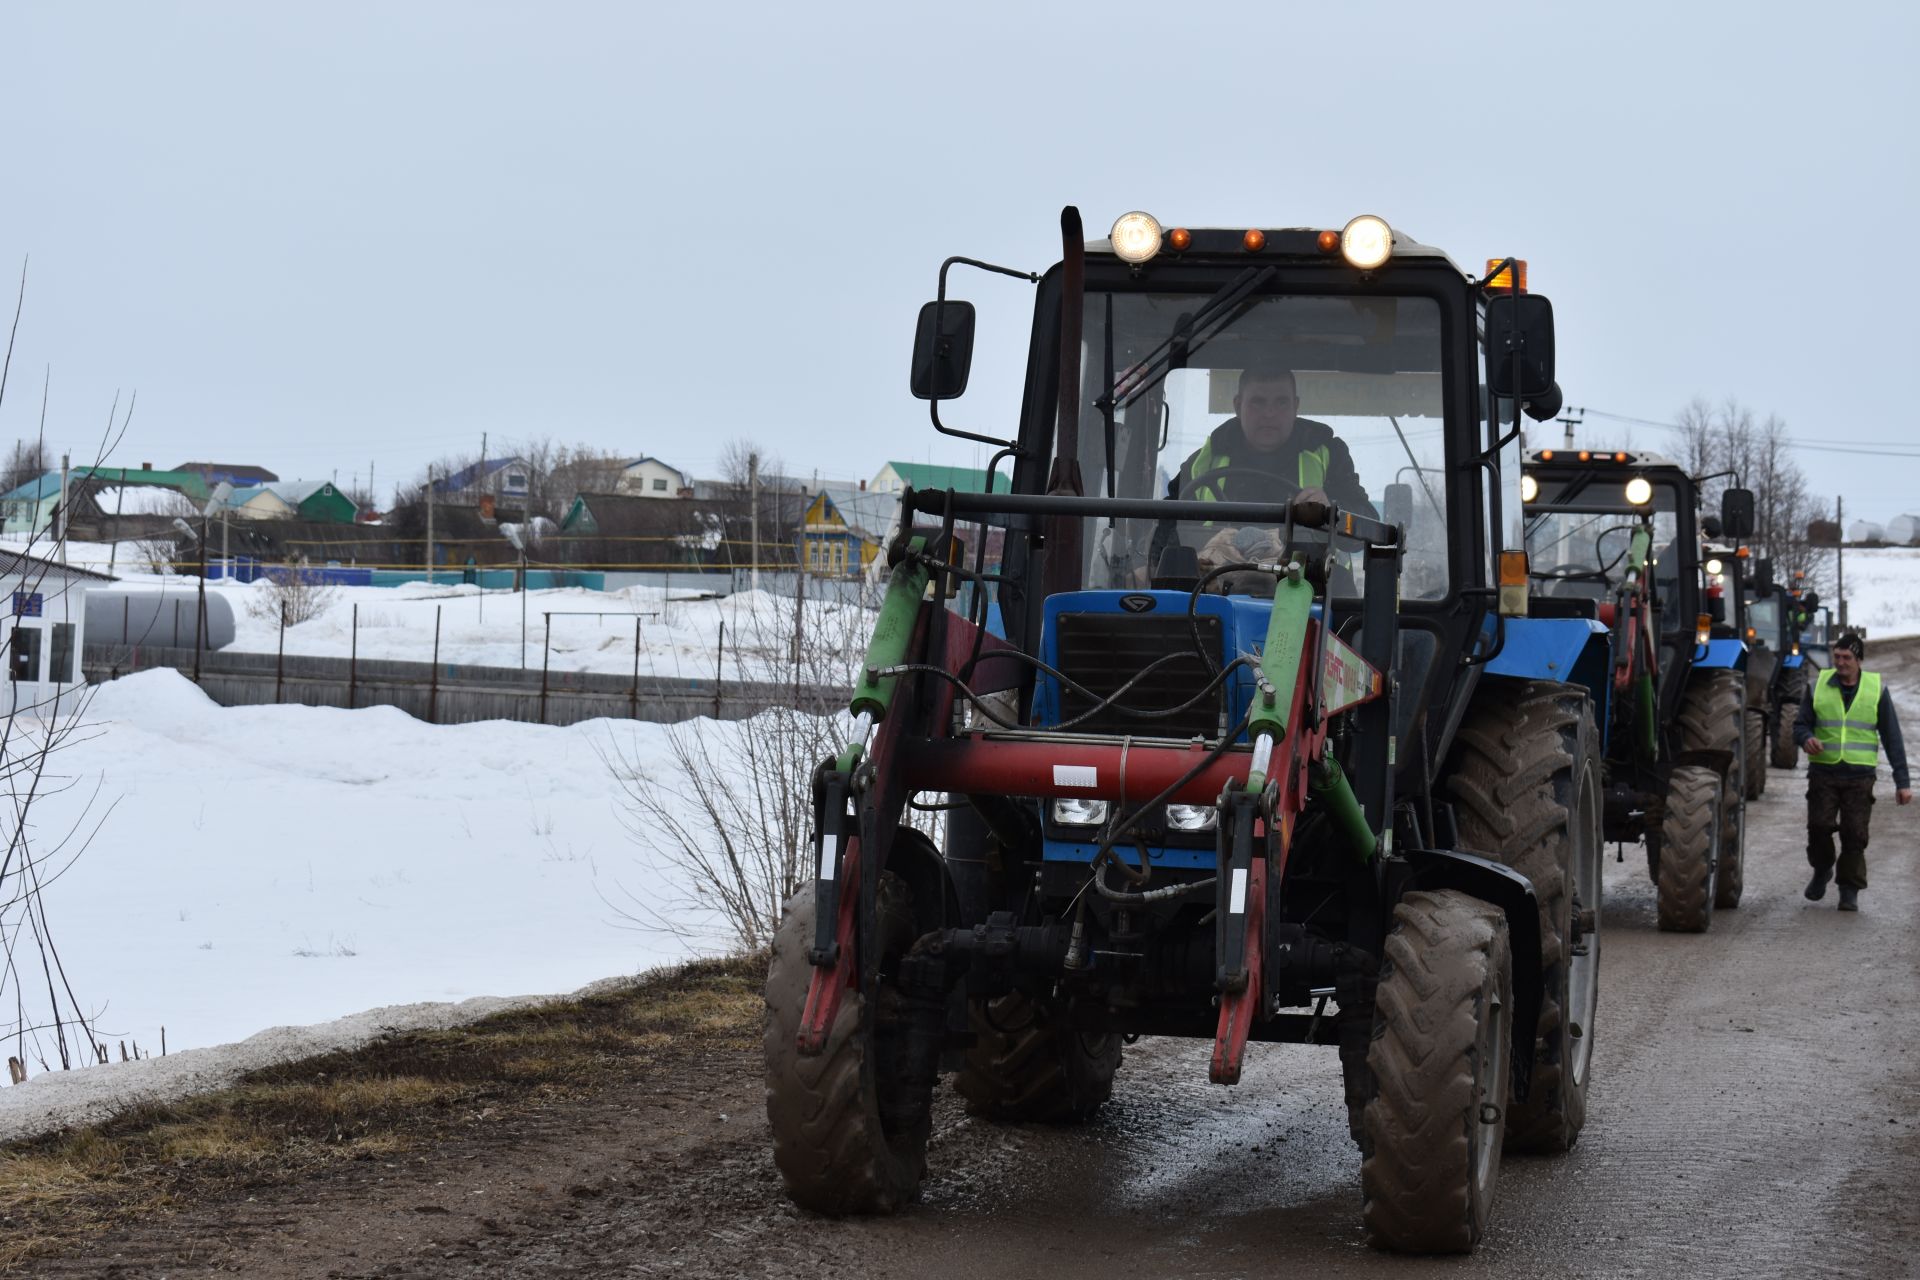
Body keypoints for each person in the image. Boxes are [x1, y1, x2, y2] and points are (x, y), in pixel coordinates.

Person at [1147, 363, 1373, 578]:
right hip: (1212, 593)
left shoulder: (1330, 456)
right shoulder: (1203, 463)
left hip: (1316, 596)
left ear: (1296, 406)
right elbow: (1165, 529)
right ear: (1237, 405)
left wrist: (1332, 514)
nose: (1269, 413)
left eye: (1281, 402)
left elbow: (1367, 524)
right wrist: (1148, 568)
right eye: (1258, 402)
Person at [1794, 631, 1911, 911]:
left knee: (1854, 833)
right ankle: (1822, 869)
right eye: (1837, 656)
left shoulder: (1876, 690)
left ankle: (1849, 889)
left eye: (1847, 657)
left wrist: (1902, 782)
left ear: (1859, 659)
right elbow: (1800, 724)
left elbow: (1892, 737)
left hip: (1860, 776)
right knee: (1819, 827)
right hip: (1824, 772)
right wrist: (1806, 738)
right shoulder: (1818, 685)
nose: (1841, 662)